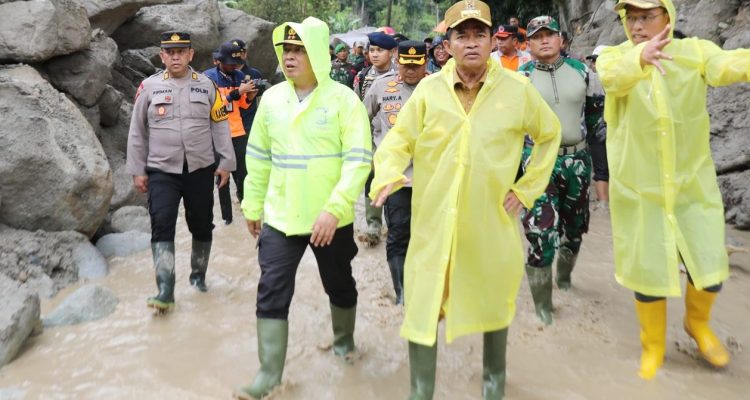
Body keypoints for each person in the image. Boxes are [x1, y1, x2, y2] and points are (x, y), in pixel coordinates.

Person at [370, 1, 561, 398]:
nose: (471, 43)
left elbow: (549, 135)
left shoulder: (517, 90)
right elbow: (399, 139)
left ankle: (493, 383)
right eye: (462, 35)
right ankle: (420, 391)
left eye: (479, 35)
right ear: (448, 44)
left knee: (494, 297)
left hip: (489, 221)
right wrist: (387, 173)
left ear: (493, 41)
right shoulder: (428, 90)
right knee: (422, 303)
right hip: (433, 218)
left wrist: (526, 191)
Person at [598, 0, 750, 379]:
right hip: (640, 190)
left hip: (691, 187)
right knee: (647, 275)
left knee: (710, 267)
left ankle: (697, 325)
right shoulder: (614, 57)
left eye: (647, 16)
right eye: (631, 17)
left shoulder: (694, 52)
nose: (637, 25)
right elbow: (611, 78)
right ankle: (653, 346)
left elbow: (727, 65)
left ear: (668, 17)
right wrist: (640, 59)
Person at [233, 17, 372, 399]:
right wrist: (252, 204)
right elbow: (258, 158)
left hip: (330, 217)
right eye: (287, 50)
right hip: (280, 214)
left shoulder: (344, 100)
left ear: (318, 54)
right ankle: (269, 374)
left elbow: (359, 160)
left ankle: (344, 342)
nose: (290, 58)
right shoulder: (272, 99)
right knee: (271, 291)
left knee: (339, 284)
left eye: (299, 50)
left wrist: (335, 208)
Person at [126, 31, 236, 310]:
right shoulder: (149, 87)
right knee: (161, 223)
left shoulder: (207, 86)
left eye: (181, 52)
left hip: (200, 168)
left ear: (190, 55)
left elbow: (220, 125)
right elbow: (137, 131)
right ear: (162, 56)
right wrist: (137, 169)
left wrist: (225, 162)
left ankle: (198, 277)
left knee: (201, 224)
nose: (175, 57)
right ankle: (165, 290)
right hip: (162, 170)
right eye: (169, 52)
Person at [518, 16, 593, 325]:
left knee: (574, 230)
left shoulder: (583, 72)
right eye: (537, 37)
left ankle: (564, 278)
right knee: (541, 233)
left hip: (578, 160)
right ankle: (543, 307)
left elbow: (599, 119)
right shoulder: (520, 78)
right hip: (537, 161)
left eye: (550, 35)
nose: (544, 40)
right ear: (529, 45)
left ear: (562, 40)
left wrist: (601, 170)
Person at [362, 40, 428, 305]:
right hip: (396, 176)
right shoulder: (381, 86)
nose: (410, 70)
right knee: (399, 232)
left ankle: (425, 287)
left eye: (417, 65)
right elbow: (359, 119)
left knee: (427, 234)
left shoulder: (438, 87)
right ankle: (401, 293)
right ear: (397, 61)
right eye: (406, 64)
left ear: (425, 63)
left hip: (430, 176)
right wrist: (371, 153)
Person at [204, 41, 258, 226]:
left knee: (243, 176)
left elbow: (242, 105)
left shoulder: (240, 75)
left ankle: (247, 214)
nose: (232, 66)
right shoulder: (208, 78)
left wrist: (250, 96)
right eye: (229, 63)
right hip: (218, 135)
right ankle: (228, 220)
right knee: (222, 180)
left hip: (238, 132)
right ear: (218, 61)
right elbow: (212, 105)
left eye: (235, 63)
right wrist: (237, 92)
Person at [353, 31, 398, 247]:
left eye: (380, 50)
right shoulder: (362, 76)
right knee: (372, 177)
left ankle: (394, 224)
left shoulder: (401, 74)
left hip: (396, 137)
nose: (374, 54)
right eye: (372, 50)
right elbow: (357, 107)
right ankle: (373, 225)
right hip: (371, 137)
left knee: (397, 180)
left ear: (392, 53)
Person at [584, 45, 608, 210]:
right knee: (602, 168)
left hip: (607, 130)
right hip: (596, 131)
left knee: (604, 168)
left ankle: (604, 203)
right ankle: (603, 203)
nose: (593, 64)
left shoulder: (619, 77)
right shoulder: (588, 79)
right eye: (593, 61)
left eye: (596, 60)